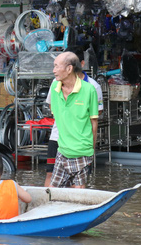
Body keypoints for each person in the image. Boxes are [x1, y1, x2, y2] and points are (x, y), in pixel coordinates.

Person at [44, 46, 103, 186]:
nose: (53, 70)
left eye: (57, 66)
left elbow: (94, 119)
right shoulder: (54, 85)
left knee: (77, 188)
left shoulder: (91, 88)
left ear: (70, 68)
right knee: (51, 180)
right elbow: (53, 108)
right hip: (60, 144)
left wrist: (91, 149)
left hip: (81, 148)